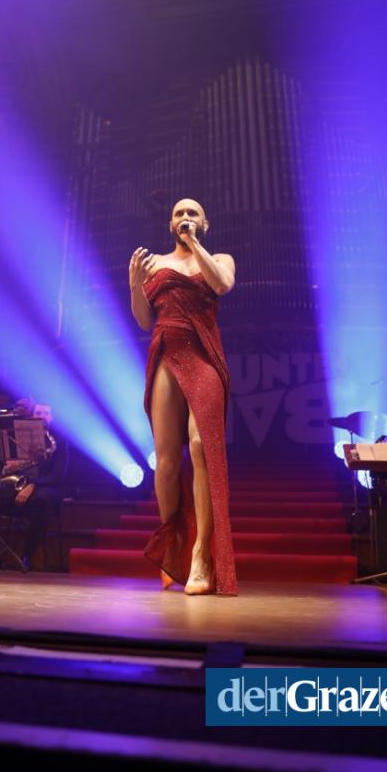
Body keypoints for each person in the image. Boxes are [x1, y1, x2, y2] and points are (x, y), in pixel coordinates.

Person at [129, 198, 238, 596]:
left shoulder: (219, 259)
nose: (185, 218)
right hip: (165, 352)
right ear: (170, 223)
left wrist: (195, 247)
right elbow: (144, 320)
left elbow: (221, 285)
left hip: (203, 353)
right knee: (167, 461)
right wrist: (133, 285)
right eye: (179, 214)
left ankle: (201, 555)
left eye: (193, 214)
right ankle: (172, 548)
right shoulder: (154, 263)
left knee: (200, 445)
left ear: (204, 224)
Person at [0, 398, 68, 570]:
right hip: (18, 481)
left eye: (46, 413)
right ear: (32, 416)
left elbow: (57, 476)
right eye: (38, 413)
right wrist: (10, 463)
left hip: (45, 486)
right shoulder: (20, 436)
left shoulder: (60, 442)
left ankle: (27, 556)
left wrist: (33, 485)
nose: (41, 416)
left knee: (42, 500)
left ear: (52, 418)